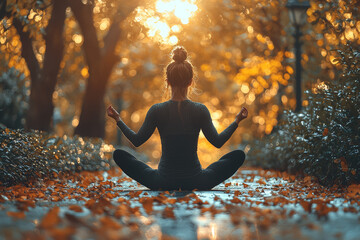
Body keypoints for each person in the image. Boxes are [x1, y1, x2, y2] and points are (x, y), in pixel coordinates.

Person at [107, 46, 248, 191]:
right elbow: (218, 142)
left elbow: (137, 141)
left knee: (119, 154)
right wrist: (236, 121)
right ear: (191, 82)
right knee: (238, 156)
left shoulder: (157, 110)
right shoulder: (200, 110)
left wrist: (118, 119)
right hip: (197, 181)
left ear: (167, 81)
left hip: (162, 182)